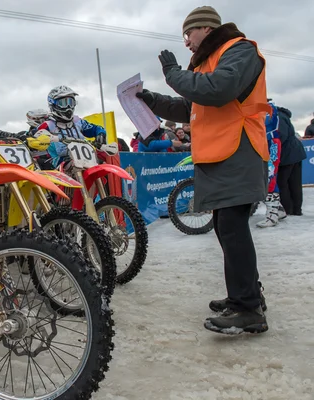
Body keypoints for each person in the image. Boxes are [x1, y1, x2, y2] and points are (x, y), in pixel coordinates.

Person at [136, 6, 269, 334]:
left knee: (233, 227)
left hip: (239, 150)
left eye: (188, 34)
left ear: (206, 29)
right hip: (222, 155)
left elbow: (218, 89)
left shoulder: (239, 50)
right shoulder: (210, 62)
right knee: (227, 226)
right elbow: (190, 106)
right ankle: (247, 295)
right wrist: (151, 99)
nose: (186, 43)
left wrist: (172, 73)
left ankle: (248, 309)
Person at [35, 85, 118, 166]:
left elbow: (95, 128)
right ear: (53, 105)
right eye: (63, 103)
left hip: (85, 158)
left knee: (103, 167)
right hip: (59, 162)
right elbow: (33, 135)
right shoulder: (48, 125)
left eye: (70, 102)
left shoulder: (78, 122)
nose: (68, 107)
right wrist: (33, 138)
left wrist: (100, 134)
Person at [256, 102, 283, 228]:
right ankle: (279, 209)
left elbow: (265, 124)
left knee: (269, 176)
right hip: (263, 143)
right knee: (263, 176)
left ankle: (272, 214)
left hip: (270, 142)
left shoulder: (267, 107)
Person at [276, 105, 306, 215]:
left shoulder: (277, 116)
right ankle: (297, 209)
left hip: (287, 153)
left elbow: (280, 136)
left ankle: (288, 209)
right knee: (295, 182)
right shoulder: (282, 115)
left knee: (282, 182)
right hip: (295, 151)